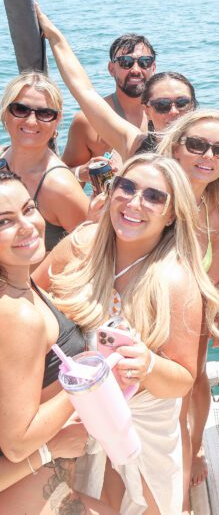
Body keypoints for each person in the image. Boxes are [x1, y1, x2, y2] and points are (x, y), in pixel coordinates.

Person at [37, 154, 219, 513]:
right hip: (70, 416)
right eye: (127, 187)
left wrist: (149, 364)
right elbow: (29, 300)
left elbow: (184, 380)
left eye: (154, 196)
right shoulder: (81, 245)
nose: (135, 202)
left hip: (142, 426)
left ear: (171, 214)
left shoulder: (176, 280)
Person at [0, 170, 116, 513]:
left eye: (29, 208)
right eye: (5, 221)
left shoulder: (22, 283)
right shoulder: (16, 315)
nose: (27, 225)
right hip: (28, 494)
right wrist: (90, 376)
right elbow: (18, 444)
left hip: (49, 486)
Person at [157, 109, 219, 508]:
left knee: (195, 383)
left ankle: (191, 452)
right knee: (167, 401)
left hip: (193, 314)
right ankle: (172, 483)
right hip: (149, 312)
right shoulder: (153, 194)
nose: (207, 155)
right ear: (176, 147)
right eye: (197, 145)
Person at [37, 5, 197, 161]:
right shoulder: (137, 146)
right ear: (148, 110)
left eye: (182, 103)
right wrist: (55, 37)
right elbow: (84, 91)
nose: (174, 111)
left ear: (194, 108)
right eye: (162, 105)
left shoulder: (209, 149)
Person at [0, 71, 89, 250]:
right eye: (21, 109)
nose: (32, 121)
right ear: (5, 112)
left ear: (57, 121)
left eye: (45, 113)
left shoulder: (59, 186)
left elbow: (91, 253)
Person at [61, 27, 157, 183]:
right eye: (125, 62)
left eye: (144, 62)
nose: (135, 70)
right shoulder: (87, 121)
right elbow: (62, 176)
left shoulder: (168, 114)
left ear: (153, 67)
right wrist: (81, 172)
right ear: (112, 69)